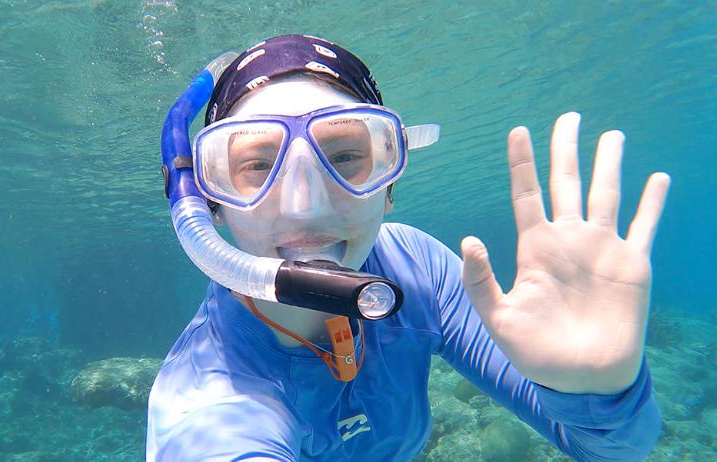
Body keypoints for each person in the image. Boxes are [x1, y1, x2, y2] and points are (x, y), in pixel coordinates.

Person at [148, 34, 670, 461]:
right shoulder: (207, 403)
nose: (304, 206)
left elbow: (608, 451)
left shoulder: (416, 268)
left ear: (388, 185)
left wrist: (597, 393)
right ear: (208, 201)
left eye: (346, 155)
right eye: (258, 166)